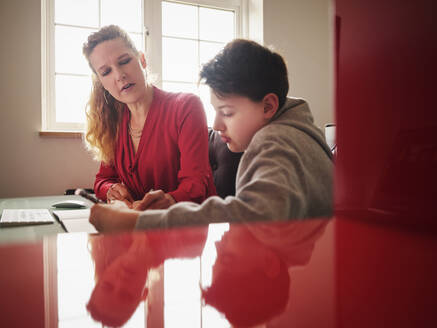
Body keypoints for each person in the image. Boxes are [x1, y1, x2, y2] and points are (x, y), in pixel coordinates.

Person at [89, 38, 333, 232]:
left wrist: (135, 223)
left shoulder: (276, 142)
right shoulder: (296, 130)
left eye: (226, 112)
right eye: (106, 71)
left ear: (268, 106)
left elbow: (256, 215)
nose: (215, 125)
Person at [82, 25, 216, 209]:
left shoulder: (186, 106)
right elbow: (102, 180)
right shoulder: (114, 122)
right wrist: (111, 188)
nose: (120, 75)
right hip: (140, 230)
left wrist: (169, 200)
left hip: (192, 225)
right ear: (102, 82)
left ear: (142, 60)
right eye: (106, 72)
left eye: (124, 61)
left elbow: (195, 185)